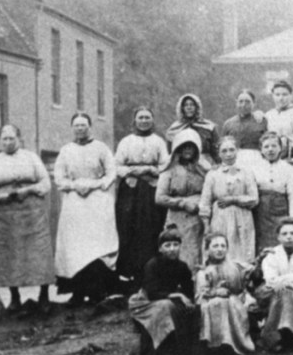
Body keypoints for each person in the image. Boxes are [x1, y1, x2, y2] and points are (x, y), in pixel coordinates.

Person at [0, 125, 55, 314]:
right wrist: (2, 196)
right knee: (8, 255)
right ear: (0, 140)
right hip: (4, 213)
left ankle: (44, 295)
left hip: (31, 210)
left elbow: (45, 182)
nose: (8, 142)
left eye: (11, 138)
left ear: (19, 139)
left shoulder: (31, 157)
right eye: (4, 139)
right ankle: (15, 298)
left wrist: (28, 190)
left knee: (37, 252)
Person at [54, 113, 119, 306]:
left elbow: (111, 172)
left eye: (83, 125)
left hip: (97, 200)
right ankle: (77, 291)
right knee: (75, 246)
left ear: (90, 127)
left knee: (97, 245)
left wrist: (95, 184)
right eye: (76, 125)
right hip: (75, 202)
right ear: (72, 128)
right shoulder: (66, 150)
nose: (80, 129)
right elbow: (59, 177)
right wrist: (75, 186)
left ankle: (98, 290)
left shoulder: (101, 148)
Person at [114, 107, 171, 287]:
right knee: (129, 227)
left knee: (152, 227)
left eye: (147, 118)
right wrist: (132, 171)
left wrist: (151, 170)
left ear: (152, 121)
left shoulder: (158, 141)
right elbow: (117, 165)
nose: (144, 121)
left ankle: (152, 273)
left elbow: (165, 164)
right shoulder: (126, 141)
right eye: (141, 117)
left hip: (152, 188)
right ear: (135, 120)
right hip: (131, 190)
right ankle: (131, 274)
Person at [128, 224, 196, 355]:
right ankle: (160, 351)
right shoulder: (152, 264)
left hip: (167, 299)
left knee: (187, 308)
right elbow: (152, 292)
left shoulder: (182, 266)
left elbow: (188, 289)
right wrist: (177, 295)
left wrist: (185, 298)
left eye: (175, 245)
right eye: (168, 245)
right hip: (145, 302)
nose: (172, 249)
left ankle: (184, 348)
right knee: (165, 307)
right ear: (160, 248)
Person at [253, 218, 293, 351]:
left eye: (292, 233)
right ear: (278, 237)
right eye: (284, 234)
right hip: (273, 292)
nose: (288, 237)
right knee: (284, 295)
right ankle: (282, 335)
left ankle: (287, 334)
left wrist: (286, 282)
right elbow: (271, 279)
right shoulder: (272, 255)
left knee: (288, 295)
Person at [155, 129, 210, 270]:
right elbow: (159, 197)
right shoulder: (169, 170)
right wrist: (182, 203)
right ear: (177, 148)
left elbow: (211, 189)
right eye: (184, 146)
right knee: (177, 250)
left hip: (198, 218)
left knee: (197, 251)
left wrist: (201, 203)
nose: (187, 150)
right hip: (177, 218)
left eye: (191, 146)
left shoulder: (204, 169)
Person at [199, 136, 259, 264]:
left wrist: (233, 199)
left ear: (237, 151)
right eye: (224, 151)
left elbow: (254, 199)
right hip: (221, 217)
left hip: (243, 217)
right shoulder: (213, 174)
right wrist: (206, 225)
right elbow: (205, 201)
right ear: (218, 153)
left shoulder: (246, 172)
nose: (229, 154)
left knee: (243, 251)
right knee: (221, 248)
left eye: (232, 150)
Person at [195, 233, 256, 355]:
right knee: (216, 304)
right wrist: (215, 292)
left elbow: (252, 274)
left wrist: (258, 263)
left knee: (230, 303)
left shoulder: (235, 266)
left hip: (237, 298)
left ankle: (233, 343)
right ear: (207, 249)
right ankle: (218, 343)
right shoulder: (204, 271)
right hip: (211, 300)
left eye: (223, 246)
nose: (219, 249)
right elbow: (201, 293)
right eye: (215, 246)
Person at [251, 132, 293, 253]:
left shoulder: (287, 168)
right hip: (261, 209)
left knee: (280, 235)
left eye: (274, 146)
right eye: (266, 147)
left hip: (281, 208)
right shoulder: (254, 167)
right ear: (261, 150)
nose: (270, 150)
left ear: (280, 148)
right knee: (262, 238)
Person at [166, 93, 220, 168]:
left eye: (192, 105)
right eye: (186, 105)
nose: (189, 107)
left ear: (197, 107)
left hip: (206, 164)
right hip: (182, 165)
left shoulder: (208, 127)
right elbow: (170, 153)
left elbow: (216, 151)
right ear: (181, 108)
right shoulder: (174, 129)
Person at [222, 89, 268, 171]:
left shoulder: (261, 121)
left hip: (257, 161)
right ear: (236, 103)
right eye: (240, 101)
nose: (243, 105)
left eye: (247, 102)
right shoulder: (228, 123)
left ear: (254, 103)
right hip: (235, 161)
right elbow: (223, 146)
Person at [266, 80, 293, 160]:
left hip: (291, 156)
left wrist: (286, 142)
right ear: (272, 96)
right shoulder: (268, 115)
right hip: (271, 155)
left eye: (285, 94)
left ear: (291, 95)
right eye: (277, 95)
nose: (281, 98)